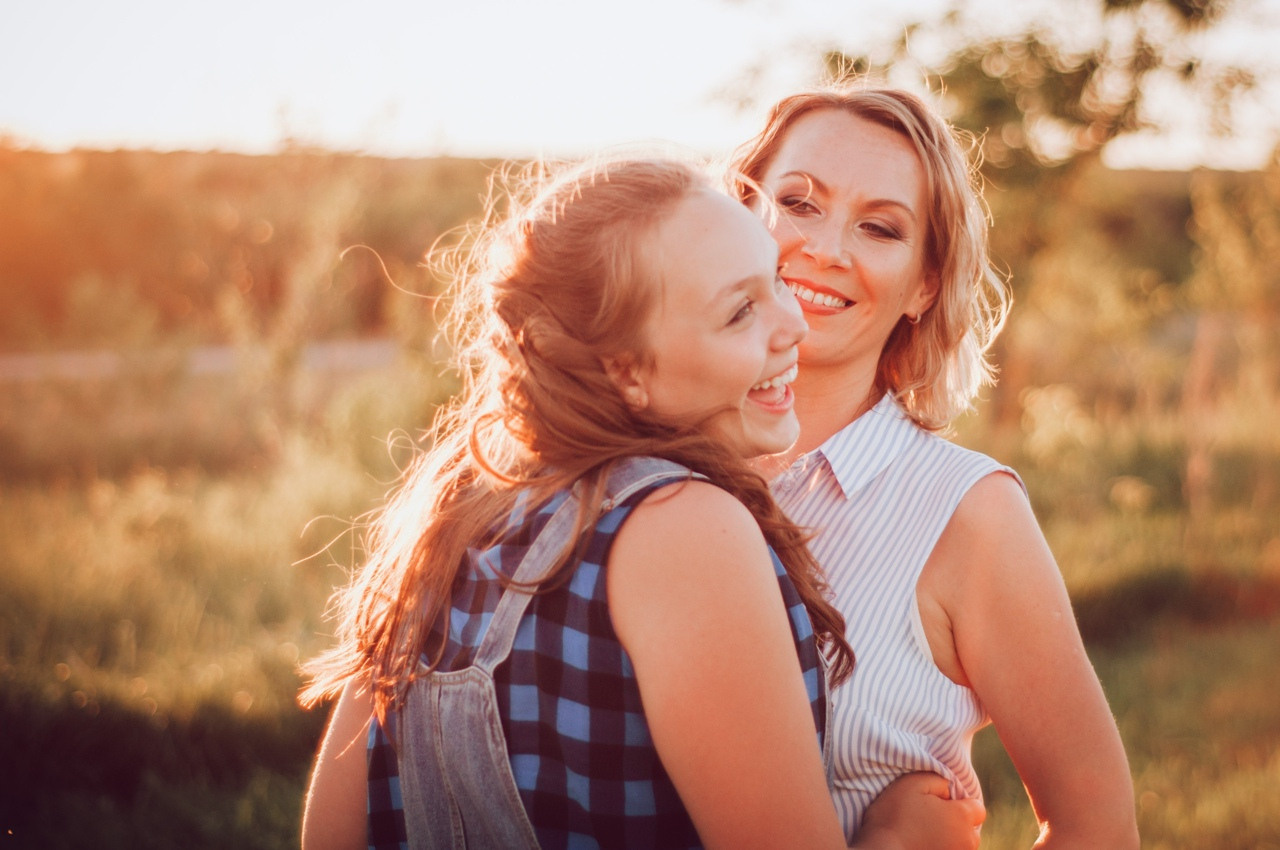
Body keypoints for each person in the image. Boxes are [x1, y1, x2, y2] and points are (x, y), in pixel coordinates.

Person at [298, 157, 984, 849]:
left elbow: (327, 835)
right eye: (740, 311)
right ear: (625, 371)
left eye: (776, 278)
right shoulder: (683, 526)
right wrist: (904, 837)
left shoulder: (454, 509)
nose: (794, 326)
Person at [730, 86, 1141, 849]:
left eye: (880, 227)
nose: (827, 249)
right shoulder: (636, 468)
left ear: (924, 284)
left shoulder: (968, 513)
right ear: (737, 216)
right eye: (799, 203)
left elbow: (1097, 829)